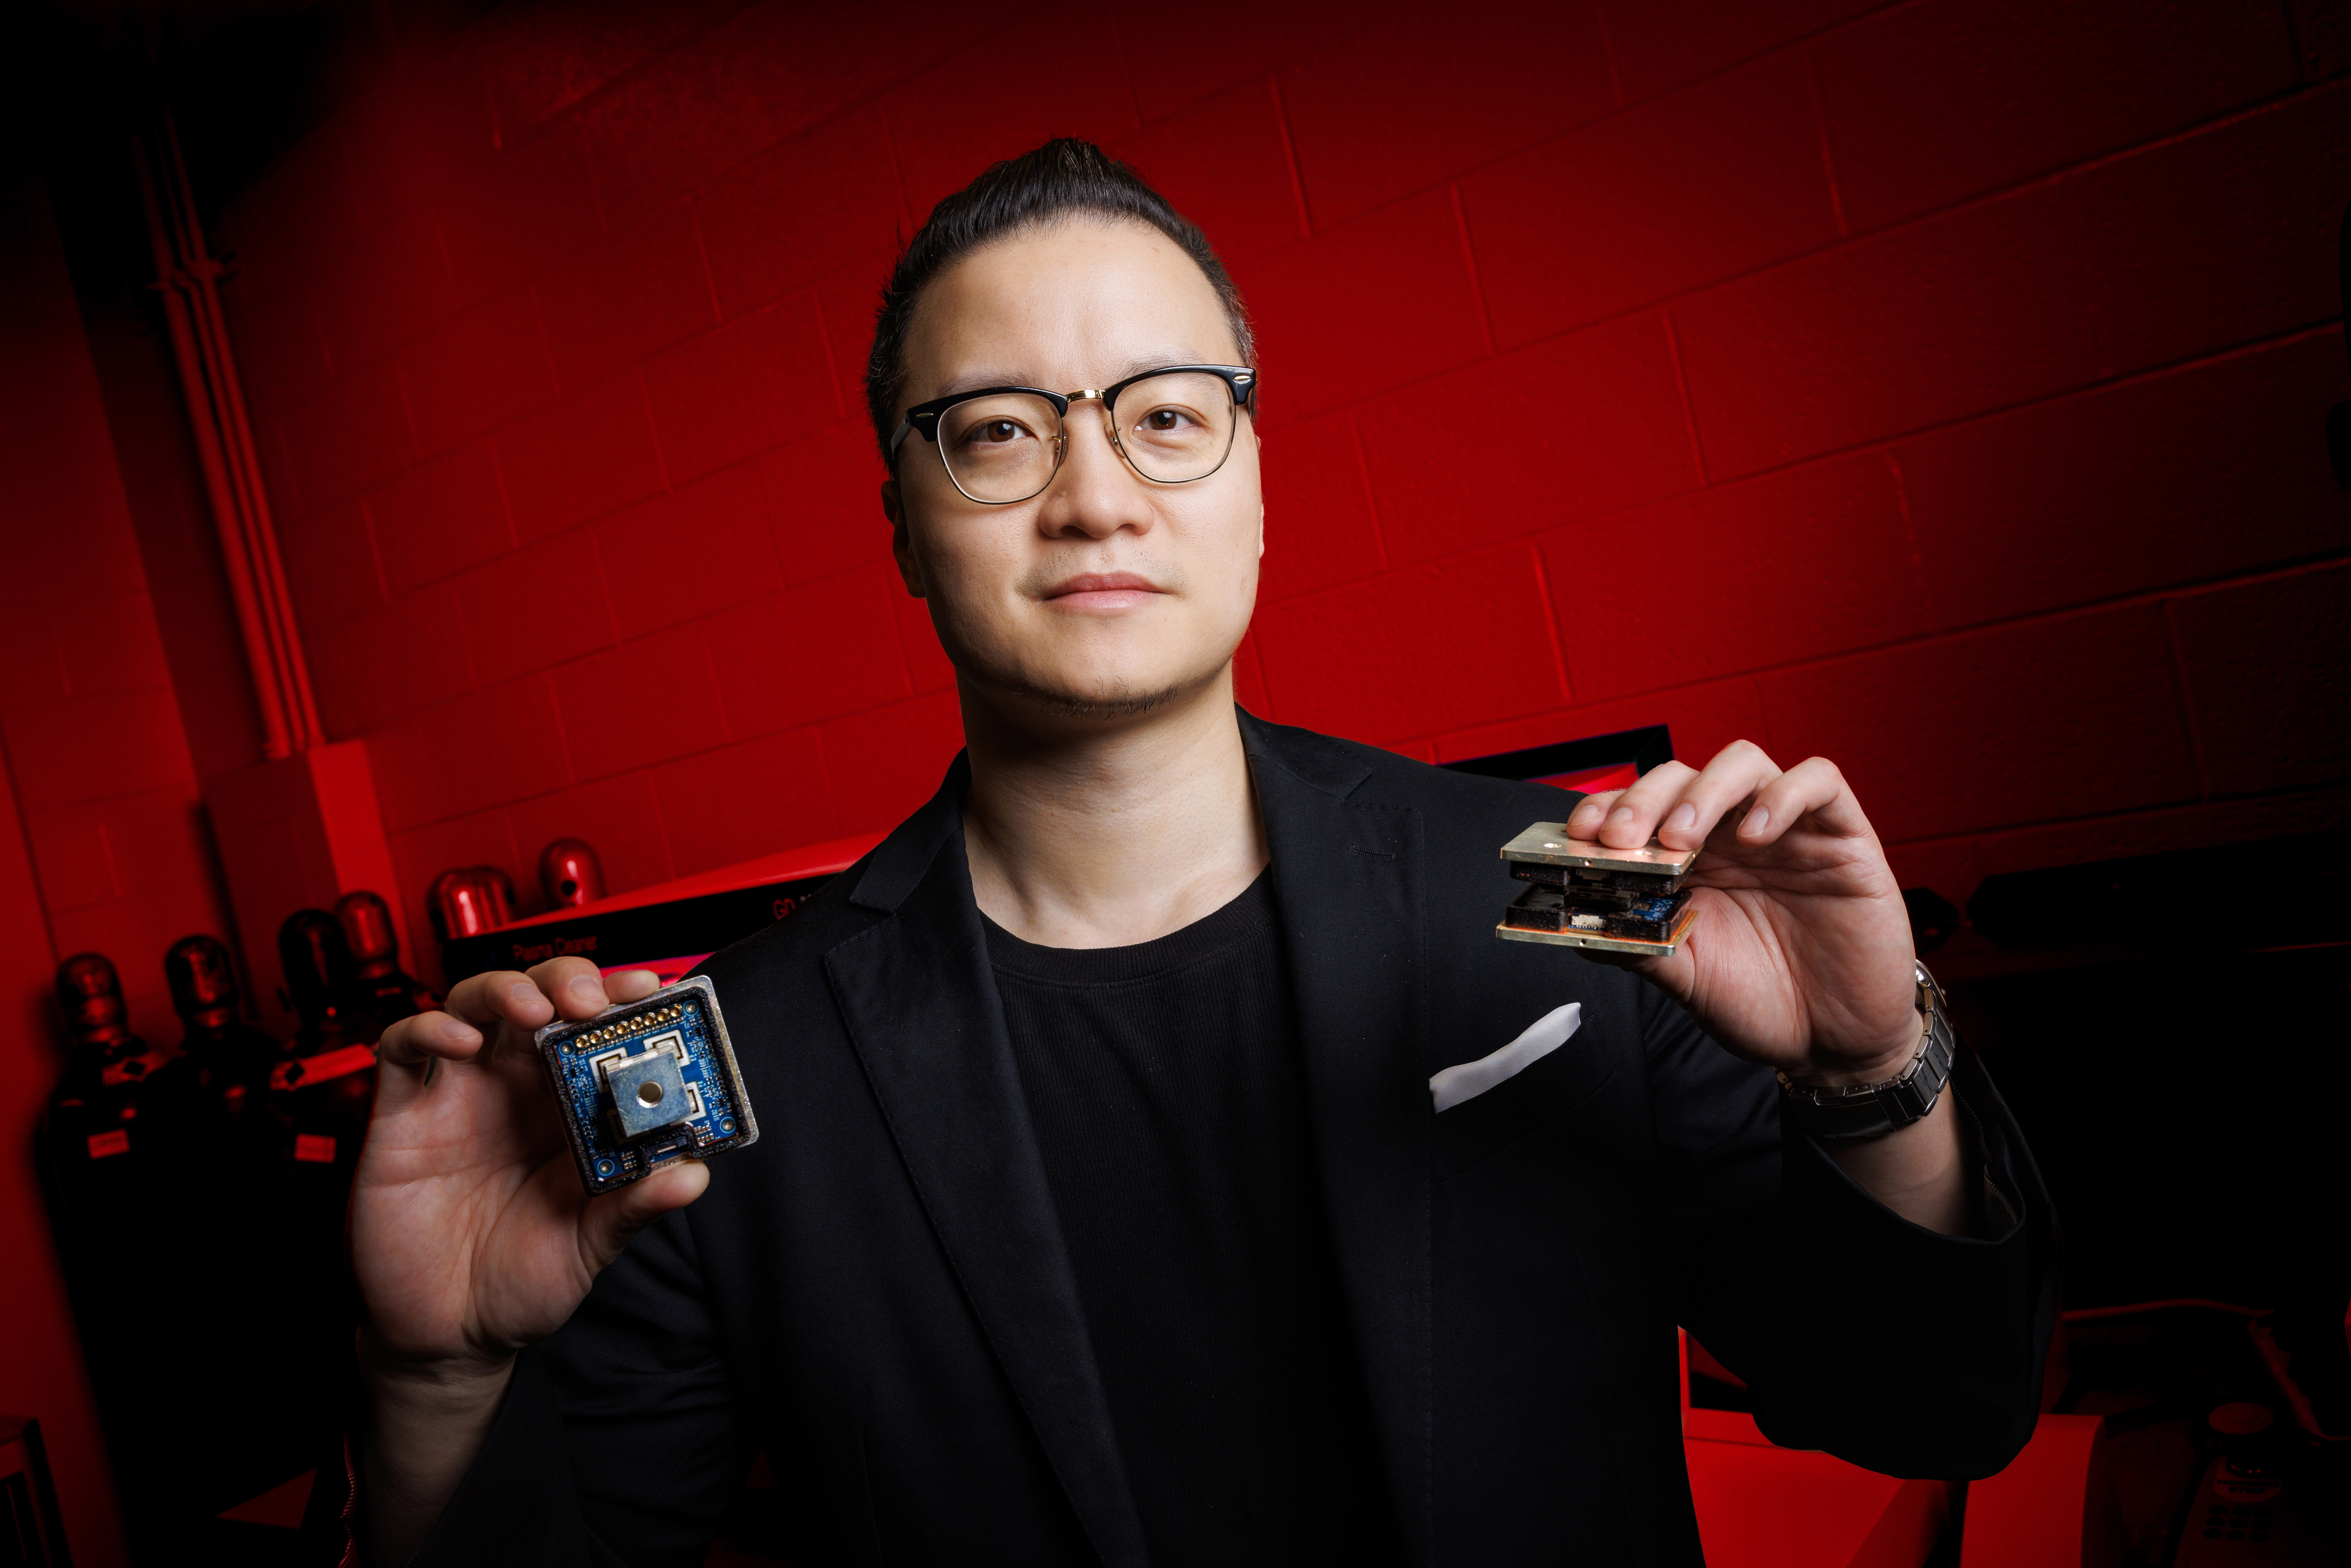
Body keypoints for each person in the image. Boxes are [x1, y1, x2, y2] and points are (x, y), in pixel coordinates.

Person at [351, 139, 2056, 1566]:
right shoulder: (743, 1054)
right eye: (1002, 429)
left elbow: (1937, 1405)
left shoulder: (1560, 881)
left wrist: (1875, 1070)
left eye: (1168, 414)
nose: (1097, 494)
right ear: (904, 521)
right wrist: (434, 1384)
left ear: (1254, 478)